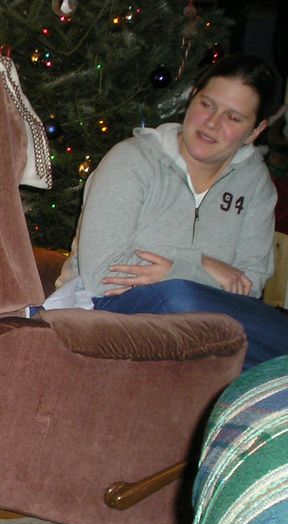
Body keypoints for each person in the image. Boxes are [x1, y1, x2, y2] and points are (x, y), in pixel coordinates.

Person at [48, 54, 288, 369]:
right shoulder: (132, 161)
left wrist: (178, 270)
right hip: (105, 308)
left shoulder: (254, 183)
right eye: (207, 104)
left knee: (216, 324)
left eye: (233, 117)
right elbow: (102, 274)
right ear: (192, 97)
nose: (212, 123)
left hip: (210, 321)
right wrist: (199, 266)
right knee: (182, 299)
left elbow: (250, 284)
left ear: (255, 131)